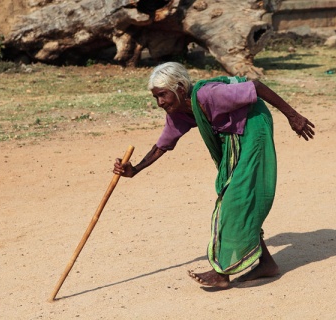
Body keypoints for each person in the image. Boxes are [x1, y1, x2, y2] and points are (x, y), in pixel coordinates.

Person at [113, 62, 315, 289]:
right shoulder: (179, 111)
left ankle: (221, 272)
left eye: (162, 95)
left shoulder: (209, 95)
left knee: (235, 197)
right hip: (233, 137)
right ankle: (266, 263)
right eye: (156, 98)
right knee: (232, 194)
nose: (160, 103)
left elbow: (256, 86)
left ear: (179, 88)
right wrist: (135, 170)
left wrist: (293, 116)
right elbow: (163, 144)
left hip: (254, 126)